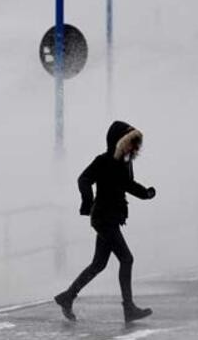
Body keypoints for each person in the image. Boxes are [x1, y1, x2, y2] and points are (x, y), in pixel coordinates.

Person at [55, 121, 156, 323]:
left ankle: (67, 297)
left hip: (111, 218)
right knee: (126, 259)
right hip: (103, 218)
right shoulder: (103, 161)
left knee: (99, 264)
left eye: (135, 145)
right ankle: (128, 309)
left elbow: (127, 184)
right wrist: (88, 202)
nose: (132, 148)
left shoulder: (125, 163)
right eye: (129, 143)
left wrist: (145, 193)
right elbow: (83, 179)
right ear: (118, 142)